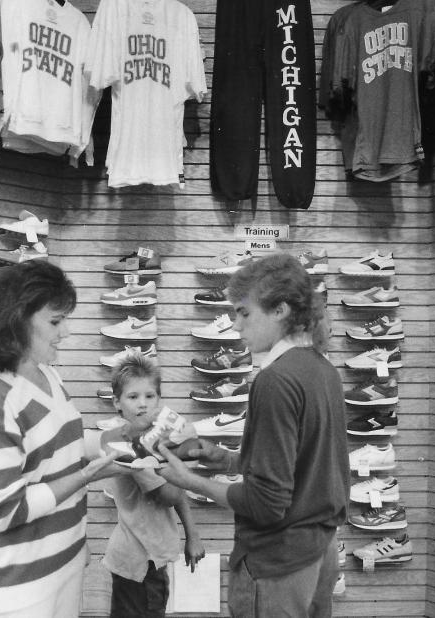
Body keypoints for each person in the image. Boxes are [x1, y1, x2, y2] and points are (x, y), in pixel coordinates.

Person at [159, 252, 350, 618]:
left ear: (279, 310)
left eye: (244, 312)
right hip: (320, 551)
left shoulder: (275, 380)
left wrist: (188, 480)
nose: (236, 325)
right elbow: (299, 467)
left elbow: (266, 502)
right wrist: (222, 457)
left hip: (277, 561)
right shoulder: (323, 370)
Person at [0, 261, 126, 618]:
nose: (66, 332)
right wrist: (85, 477)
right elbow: (4, 511)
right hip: (18, 578)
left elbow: (65, 446)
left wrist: (123, 437)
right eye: (55, 321)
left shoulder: (48, 374)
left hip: (63, 560)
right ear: (16, 319)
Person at [85, 353, 206, 618]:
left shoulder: (151, 439)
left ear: (159, 399)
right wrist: (182, 457)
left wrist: (192, 534)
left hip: (146, 557)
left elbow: (177, 491)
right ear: (117, 403)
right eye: (133, 397)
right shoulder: (132, 448)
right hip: (140, 562)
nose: (143, 404)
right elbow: (171, 493)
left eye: (150, 396)